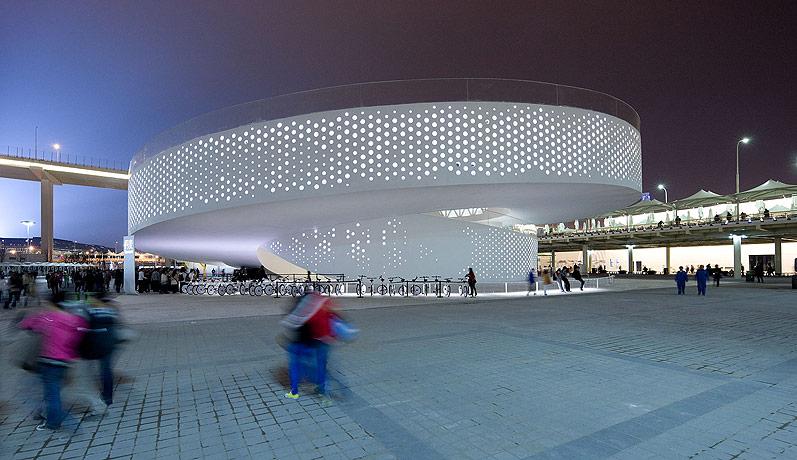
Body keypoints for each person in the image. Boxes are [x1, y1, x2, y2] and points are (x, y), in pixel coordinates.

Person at [18, 292, 87, 431]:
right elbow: (80, 336)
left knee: (51, 393)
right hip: (66, 361)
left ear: (51, 304)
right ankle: (49, 414)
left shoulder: (47, 318)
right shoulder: (74, 319)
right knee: (54, 391)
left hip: (49, 361)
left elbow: (25, 324)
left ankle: (54, 422)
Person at [282, 289, 336, 399]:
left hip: (298, 343)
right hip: (317, 342)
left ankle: (294, 392)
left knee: (295, 367)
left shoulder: (300, 304)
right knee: (320, 366)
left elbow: (290, 321)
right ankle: (322, 390)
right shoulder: (321, 303)